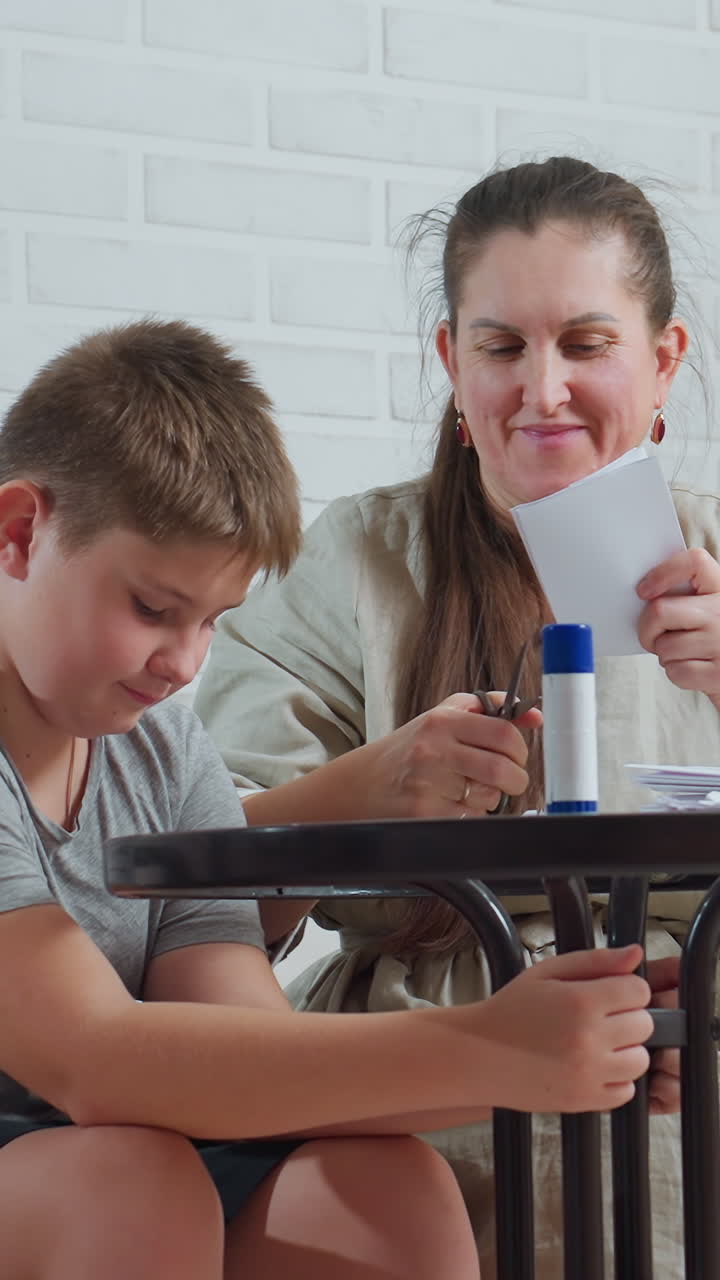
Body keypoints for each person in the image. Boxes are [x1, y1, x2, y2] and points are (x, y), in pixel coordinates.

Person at [0, 316, 658, 1280]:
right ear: (20, 533)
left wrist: (570, 1054)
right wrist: (485, 1049)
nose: (182, 664)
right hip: (78, 1157)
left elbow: (244, 1040)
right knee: (131, 1184)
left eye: (213, 621)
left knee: (385, 1193)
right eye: (152, 608)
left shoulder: (159, 739)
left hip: (118, 1146)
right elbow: (97, 1063)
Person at [194, 156, 719, 1277]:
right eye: (500, 347)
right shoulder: (352, 562)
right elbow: (197, 897)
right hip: (417, 1107)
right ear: (450, 360)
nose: (543, 391)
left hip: (685, 1093)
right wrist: (363, 791)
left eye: (586, 343)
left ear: (664, 358)